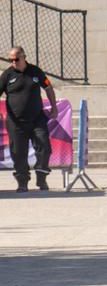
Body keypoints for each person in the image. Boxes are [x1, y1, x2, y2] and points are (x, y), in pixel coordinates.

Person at [0, 47, 57, 192]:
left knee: (44, 147)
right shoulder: (7, 75)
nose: (14, 62)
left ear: (24, 57)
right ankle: (22, 182)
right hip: (15, 122)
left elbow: (48, 87)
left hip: (37, 118)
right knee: (18, 152)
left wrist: (54, 107)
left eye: (16, 59)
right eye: (10, 60)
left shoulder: (35, 71)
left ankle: (41, 177)